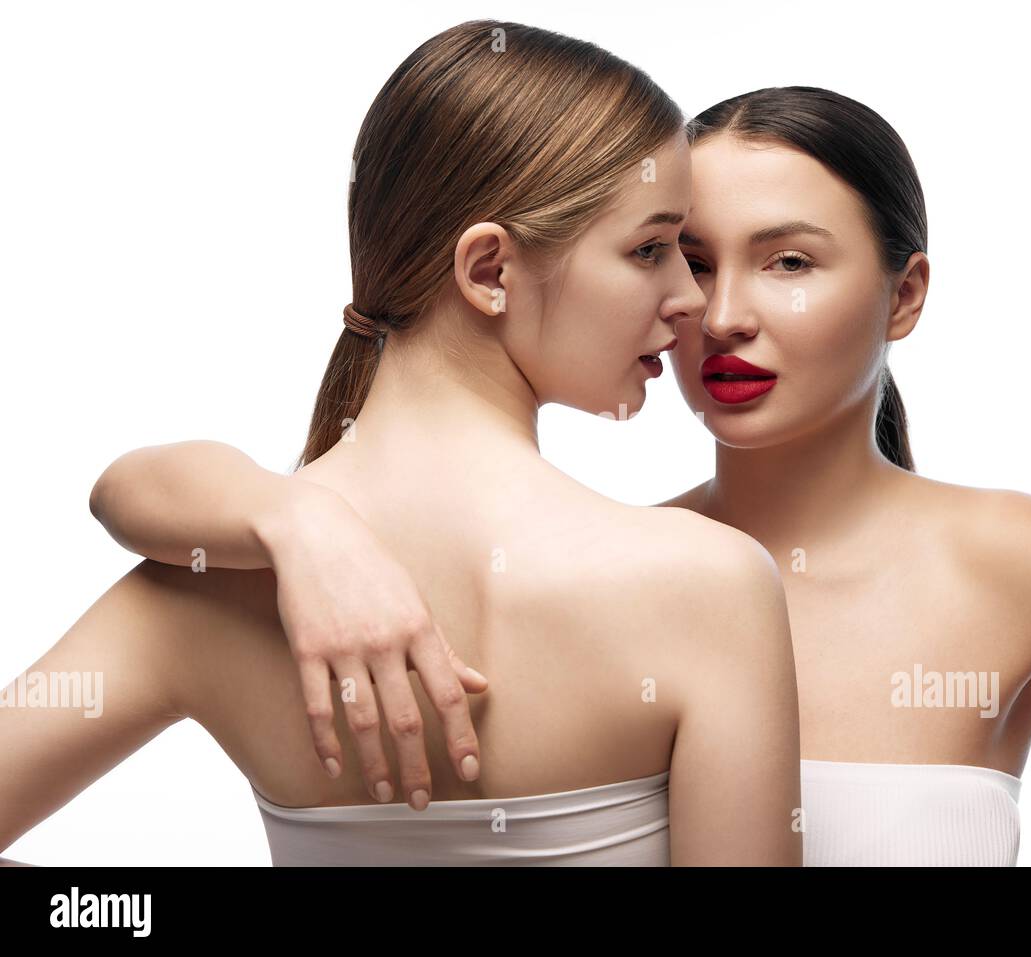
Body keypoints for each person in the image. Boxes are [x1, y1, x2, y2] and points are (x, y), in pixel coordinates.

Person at [82, 85, 1031, 865]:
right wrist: (295, 522)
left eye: (788, 263)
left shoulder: (1012, 559)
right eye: (683, 258)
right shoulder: (636, 570)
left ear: (906, 294)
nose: (715, 315)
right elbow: (140, 495)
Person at [0, 20, 803, 867]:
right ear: (488, 270)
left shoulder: (200, 589)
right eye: (650, 248)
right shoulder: (711, 588)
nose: (690, 301)